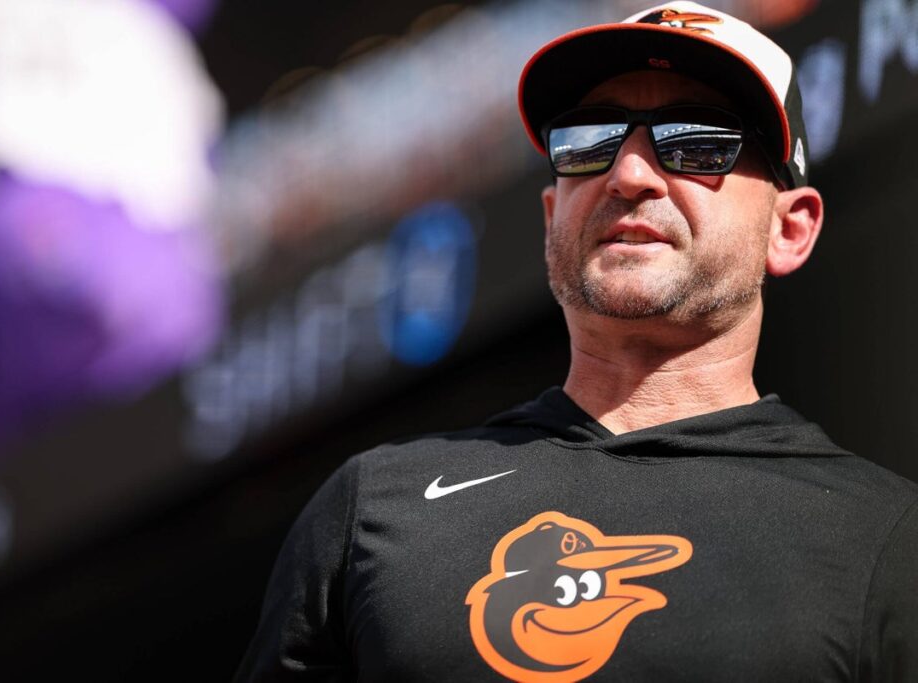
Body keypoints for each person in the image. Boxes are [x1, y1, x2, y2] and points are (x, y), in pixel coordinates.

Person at [235, 3, 918, 681]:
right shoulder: (370, 511)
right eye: (589, 141)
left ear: (789, 228)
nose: (628, 175)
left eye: (697, 141)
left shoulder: (886, 539)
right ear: (551, 216)